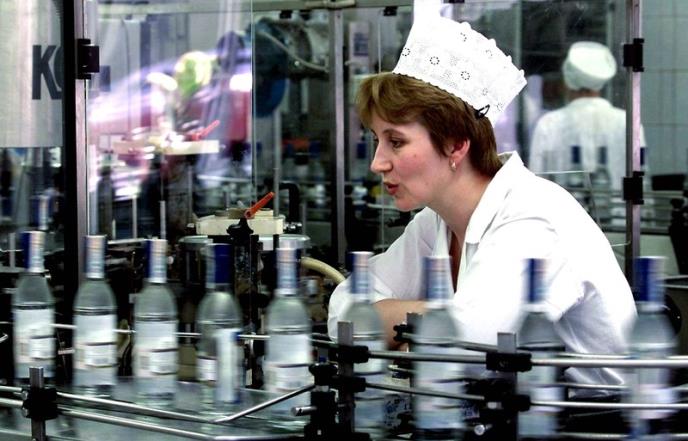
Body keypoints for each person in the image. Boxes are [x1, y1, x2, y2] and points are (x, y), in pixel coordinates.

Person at [327, 15, 636, 391]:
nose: (377, 163)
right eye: (377, 140)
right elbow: (344, 312)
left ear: (456, 144)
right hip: (508, 408)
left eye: (396, 142)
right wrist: (436, 316)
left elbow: (467, 350)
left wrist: (409, 326)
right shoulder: (436, 221)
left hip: (596, 416)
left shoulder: (531, 218)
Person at [528, 41, 646, 208]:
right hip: (620, 219)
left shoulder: (549, 124)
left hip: (563, 219)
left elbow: (534, 185)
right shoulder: (627, 122)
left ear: (568, 79)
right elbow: (642, 181)